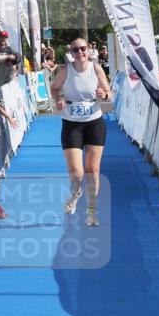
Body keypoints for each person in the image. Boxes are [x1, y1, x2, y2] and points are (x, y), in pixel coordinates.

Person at [49, 37, 112, 228]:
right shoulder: (65, 71)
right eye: (75, 50)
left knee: (92, 170)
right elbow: (54, 88)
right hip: (71, 124)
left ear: (88, 50)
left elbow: (109, 92)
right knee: (76, 172)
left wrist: (105, 95)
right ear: (71, 53)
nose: (80, 52)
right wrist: (58, 99)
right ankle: (76, 194)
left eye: (83, 48)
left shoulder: (96, 69)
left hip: (94, 123)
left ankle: (91, 212)